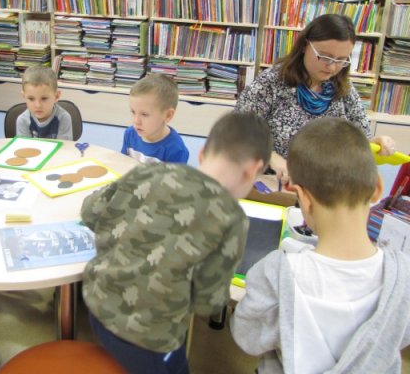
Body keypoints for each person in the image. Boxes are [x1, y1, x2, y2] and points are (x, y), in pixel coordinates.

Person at [83, 112, 273, 374]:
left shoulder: (150, 170)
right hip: (147, 338)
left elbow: (90, 212)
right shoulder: (232, 219)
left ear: (203, 154)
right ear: (252, 170)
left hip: (94, 305)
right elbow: (209, 302)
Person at [231, 117, 410, 373]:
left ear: (302, 198)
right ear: (377, 188)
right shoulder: (403, 274)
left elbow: (247, 337)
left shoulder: (276, 272)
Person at [235, 13, 395, 183]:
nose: (332, 67)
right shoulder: (272, 82)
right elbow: (238, 130)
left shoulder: (345, 89)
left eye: (341, 60)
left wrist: (376, 144)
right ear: (305, 45)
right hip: (274, 181)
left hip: (324, 185)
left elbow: (360, 140)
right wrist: (270, 156)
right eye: (324, 57)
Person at [121, 73, 189, 163]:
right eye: (133, 112)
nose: (136, 121)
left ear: (168, 115)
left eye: (144, 114)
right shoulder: (130, 134)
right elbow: (123, 163)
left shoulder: (176, 150)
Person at [17, 66, 72, 139]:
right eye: (31, 99)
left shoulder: (63, 118)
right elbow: (24, 146)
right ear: (24, 96)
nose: (38, 105)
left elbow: (64, 145)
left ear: (56, 96)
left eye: (44, 98)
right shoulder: (23, 120)